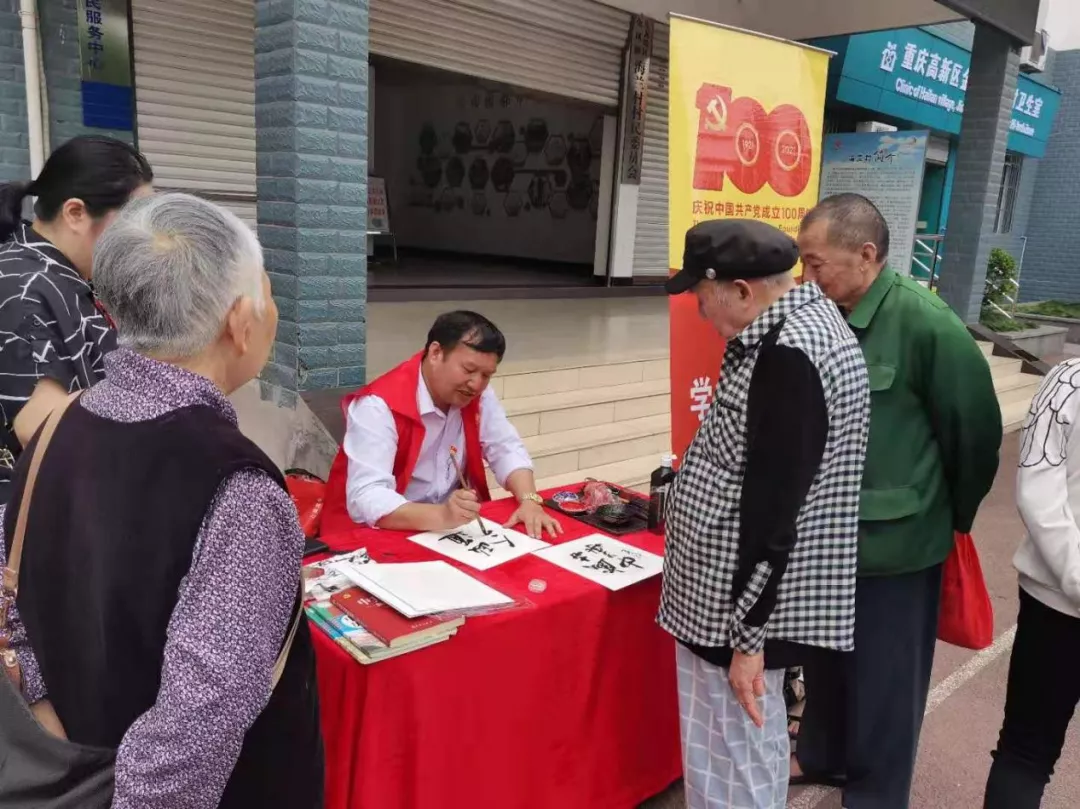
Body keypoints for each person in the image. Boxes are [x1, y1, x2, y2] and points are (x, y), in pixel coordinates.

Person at [0, 193, 323, 808]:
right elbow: (195, 729)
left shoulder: (54, 428)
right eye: (268, 291)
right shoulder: (238, 487)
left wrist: (43, 709)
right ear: (240, 321)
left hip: (75, 768)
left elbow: (12, 590)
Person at [794, 193, 1002, 808]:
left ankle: (877, 795)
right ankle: (824, 753)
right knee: (826, 661)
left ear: (866, 255)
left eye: (816, 263)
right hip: (827, 538)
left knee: (885, 684)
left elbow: (975, 436)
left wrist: (944, 517)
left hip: (897, 546)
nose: (807, 276)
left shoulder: (927, 324)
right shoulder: (821, 314)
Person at [658, 219, 871, 809]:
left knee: (733, 757)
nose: (700, 311)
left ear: (742, 290)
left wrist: (749, 637)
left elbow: (775, 511)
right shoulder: (800, 325)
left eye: (702, 296)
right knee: (746, 751)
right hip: (734, 603)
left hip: (734, 612)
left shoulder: (788, 354)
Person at [0, 135, 153, 501]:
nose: (143, 238)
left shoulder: (66, 273)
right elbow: (44, 428)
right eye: (132, 221)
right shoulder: (23, 287)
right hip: (41, 512)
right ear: (75, 213)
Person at [321, 310, 562, 539]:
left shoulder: (476, 395)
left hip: (448, 529)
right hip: (383, 531)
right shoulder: (378, 405)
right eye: (469, 369)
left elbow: (504, 447)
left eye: (487, 375)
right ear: (436, 353)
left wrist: (529, 500)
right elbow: (367, 496)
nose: (476, 384)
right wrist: (441, 515)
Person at [984, 358, 1080, 808]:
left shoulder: (1068, 381)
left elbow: (1038, 495)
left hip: (1056, 599)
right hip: (1055, 602)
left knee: (1025, 752)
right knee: (1025, 753)